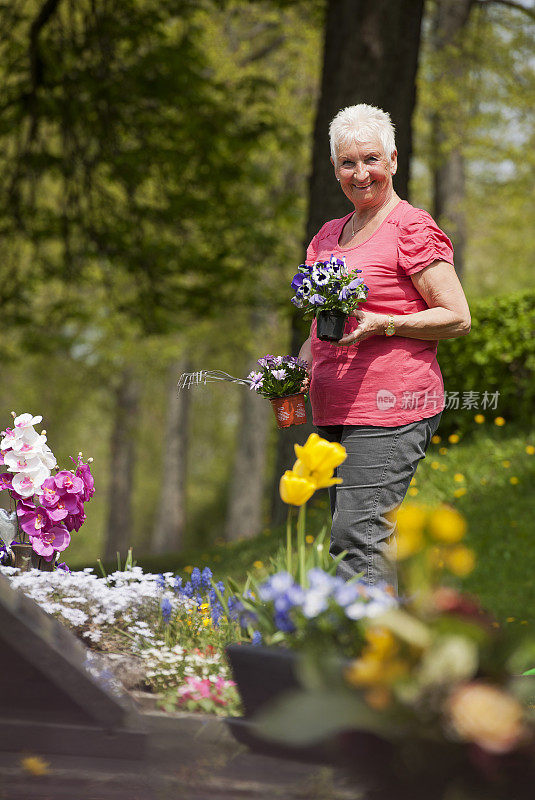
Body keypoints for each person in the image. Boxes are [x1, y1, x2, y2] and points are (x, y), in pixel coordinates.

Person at [298, 104, 471, 592]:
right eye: (348, 163)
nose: (361, 173)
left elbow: (457, 316)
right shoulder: (328, 237)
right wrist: (291, 370)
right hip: (334, 406)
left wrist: (385, 325)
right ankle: (396, 652)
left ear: (393, 160)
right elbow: (320, 325)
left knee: (359, 536)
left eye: (370, 159)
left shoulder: (411, 228)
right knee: (355, 537)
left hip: (392, 406)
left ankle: (368, 660)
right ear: (334, 170)